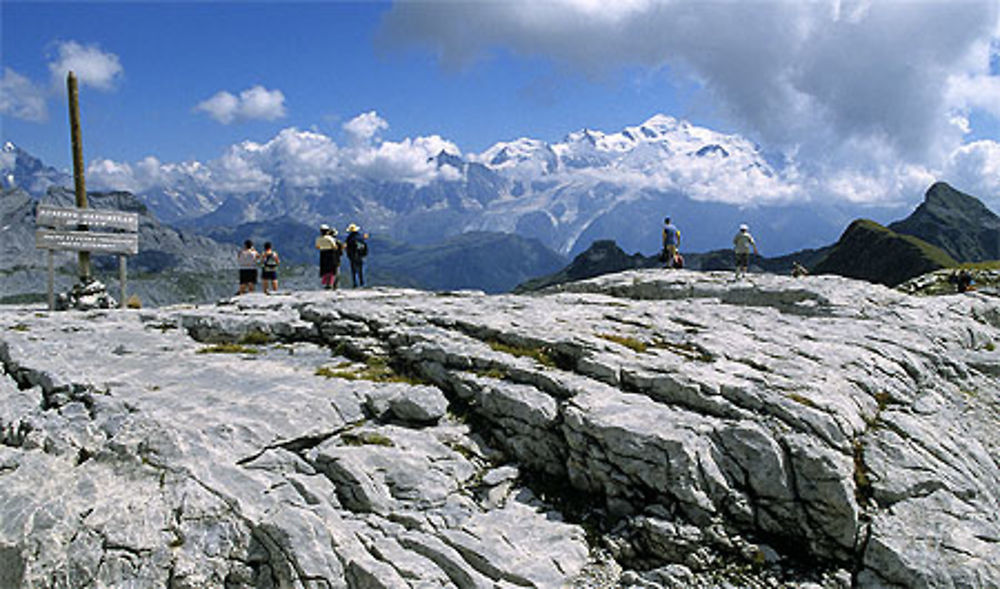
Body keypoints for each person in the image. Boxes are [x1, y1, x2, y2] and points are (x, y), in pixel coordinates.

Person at [315, 224, 341, 290]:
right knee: (331, 270)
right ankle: (330, 283)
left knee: (325, 269)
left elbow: (317, 246)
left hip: (323, 253)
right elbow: (334, 246)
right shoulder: (330, 238)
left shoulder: (318, 238)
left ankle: (325, 283)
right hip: (330, 254)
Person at [345, 223, 369, 288]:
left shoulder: (349, 238)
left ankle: (354, 283)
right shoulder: (360, 237)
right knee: (360, 269)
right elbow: (365, 246)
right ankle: (362, 282)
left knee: (353, 269)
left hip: (352, 255)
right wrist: (364, 254)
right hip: (360, 255)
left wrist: (348, 255)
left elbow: (347, 247)